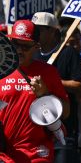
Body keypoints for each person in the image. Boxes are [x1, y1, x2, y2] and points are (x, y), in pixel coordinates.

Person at [0, 20, 69, 162]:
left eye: (25, 46)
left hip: (38, 153)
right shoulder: (2, 70)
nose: (18, 50)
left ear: (36, 47)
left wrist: (45, 94)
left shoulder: (48, 72)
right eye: (15, 44)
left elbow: (66, 112)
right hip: (6, 156)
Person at [31, 12, 81, 163]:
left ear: (52, 31)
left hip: (63, 134)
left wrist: (52, 82)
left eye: (39, 30)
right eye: (33, 29)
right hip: (36, 135)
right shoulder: (32, 55)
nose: (34, 33)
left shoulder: (68, 53)